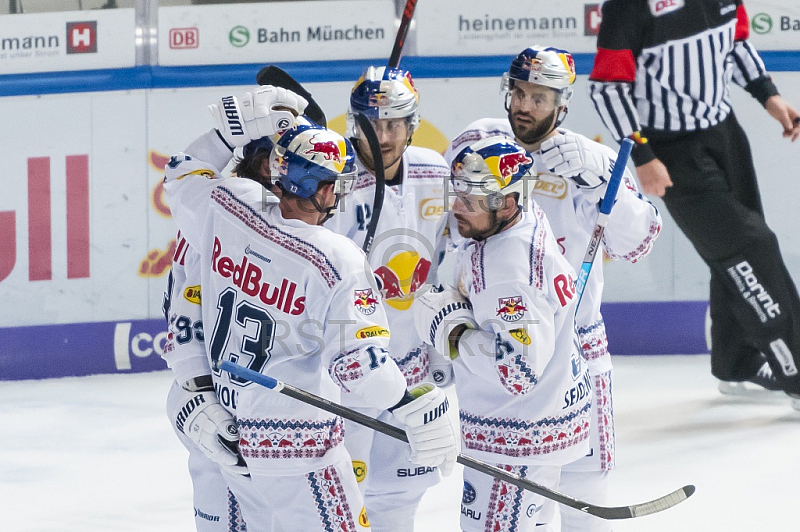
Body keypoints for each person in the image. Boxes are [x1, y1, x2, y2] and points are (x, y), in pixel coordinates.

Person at [162, 85, 459, 532]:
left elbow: (182, 172)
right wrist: (410, 402)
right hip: (302, 446)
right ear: (324, 190)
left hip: (237, 436)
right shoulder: (335, 259)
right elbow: (360, 366)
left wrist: (227, 133)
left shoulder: (227, 204)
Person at [444, 45, 662, 532]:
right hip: (503, 337)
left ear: (562, 104)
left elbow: (638, 243)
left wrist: (599, 175)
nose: (524, 105)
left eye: (538, 97)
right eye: (518, 92)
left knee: (584, 491)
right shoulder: (480, 146)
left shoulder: (591, 160)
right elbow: (451, 232)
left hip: (576, 347)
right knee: (503, 506)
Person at [588, 0, 800, 406]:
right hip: (670, 150)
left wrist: (767, 94)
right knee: (751, 248)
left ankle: (736, 361)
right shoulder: (630, 6)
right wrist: (644, 155)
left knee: (733, 256)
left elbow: (733, 44)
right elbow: (607, 87)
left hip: (724, 134)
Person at [416, 136, 592, 532]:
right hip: (538, 422)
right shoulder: (519, 220)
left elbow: (518, 372)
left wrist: (453, 332)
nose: (456, 207)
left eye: (471, 199)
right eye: (457, 192)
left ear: (507, 203)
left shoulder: (509, 269)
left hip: (518, 434)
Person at [323, 66, 454, 532]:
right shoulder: (331, 183)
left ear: (411, 125)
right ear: (352, 124)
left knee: (399, 499)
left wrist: (443, 347)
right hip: (348, 372)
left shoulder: (435, 172)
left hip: (412, 366)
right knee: (340, 501)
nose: (382, 136)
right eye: (371, 125)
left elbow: (449, 259)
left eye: (393, 124)